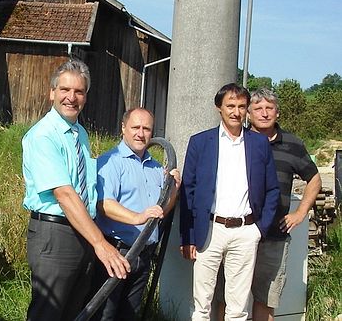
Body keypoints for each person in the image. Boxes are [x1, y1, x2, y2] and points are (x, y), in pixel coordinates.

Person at [22, 59, 130, 320]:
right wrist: (100, 244)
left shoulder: (78, 133)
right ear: (52, 93)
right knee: (48, 313)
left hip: (81, 230)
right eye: (65, 90)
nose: (71, 97)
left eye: (79, 92)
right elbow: (66, 194)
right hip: (56, 234)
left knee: (75, 312)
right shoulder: (44, 136)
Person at [179, 83, 279, 321]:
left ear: (247, 110)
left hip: (246, 231)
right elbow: (188, 191)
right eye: (230, 106)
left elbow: (272, 189)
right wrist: (188, 236)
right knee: (202, 303)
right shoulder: (200, 142)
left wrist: (259, 229)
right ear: (219, 108)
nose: (236, 112)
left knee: (238, 306)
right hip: (210, 230)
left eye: (242, 107)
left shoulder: (259, 144)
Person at [93, 107, 181, 320]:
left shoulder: (156, 168)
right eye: (135, 127)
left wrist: (175, 190)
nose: (140, 133)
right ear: (124, 128)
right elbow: (103, 203)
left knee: (129, 315)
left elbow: (159, 213)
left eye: (146, 128)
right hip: (117, 252)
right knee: (105, 315)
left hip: (144, 255)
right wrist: (137, 217)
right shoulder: (110, 161)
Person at [248, 88, 321, 321]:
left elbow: (314, 179)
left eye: (269, 108)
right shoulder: (238, 140)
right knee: (227, 296)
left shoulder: (292, 143)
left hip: (274, 236)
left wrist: (300, 213)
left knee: (266, 298)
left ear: (277, 113)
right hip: (238, 232)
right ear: (249, 113)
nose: (264, 113)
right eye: (258, 108)